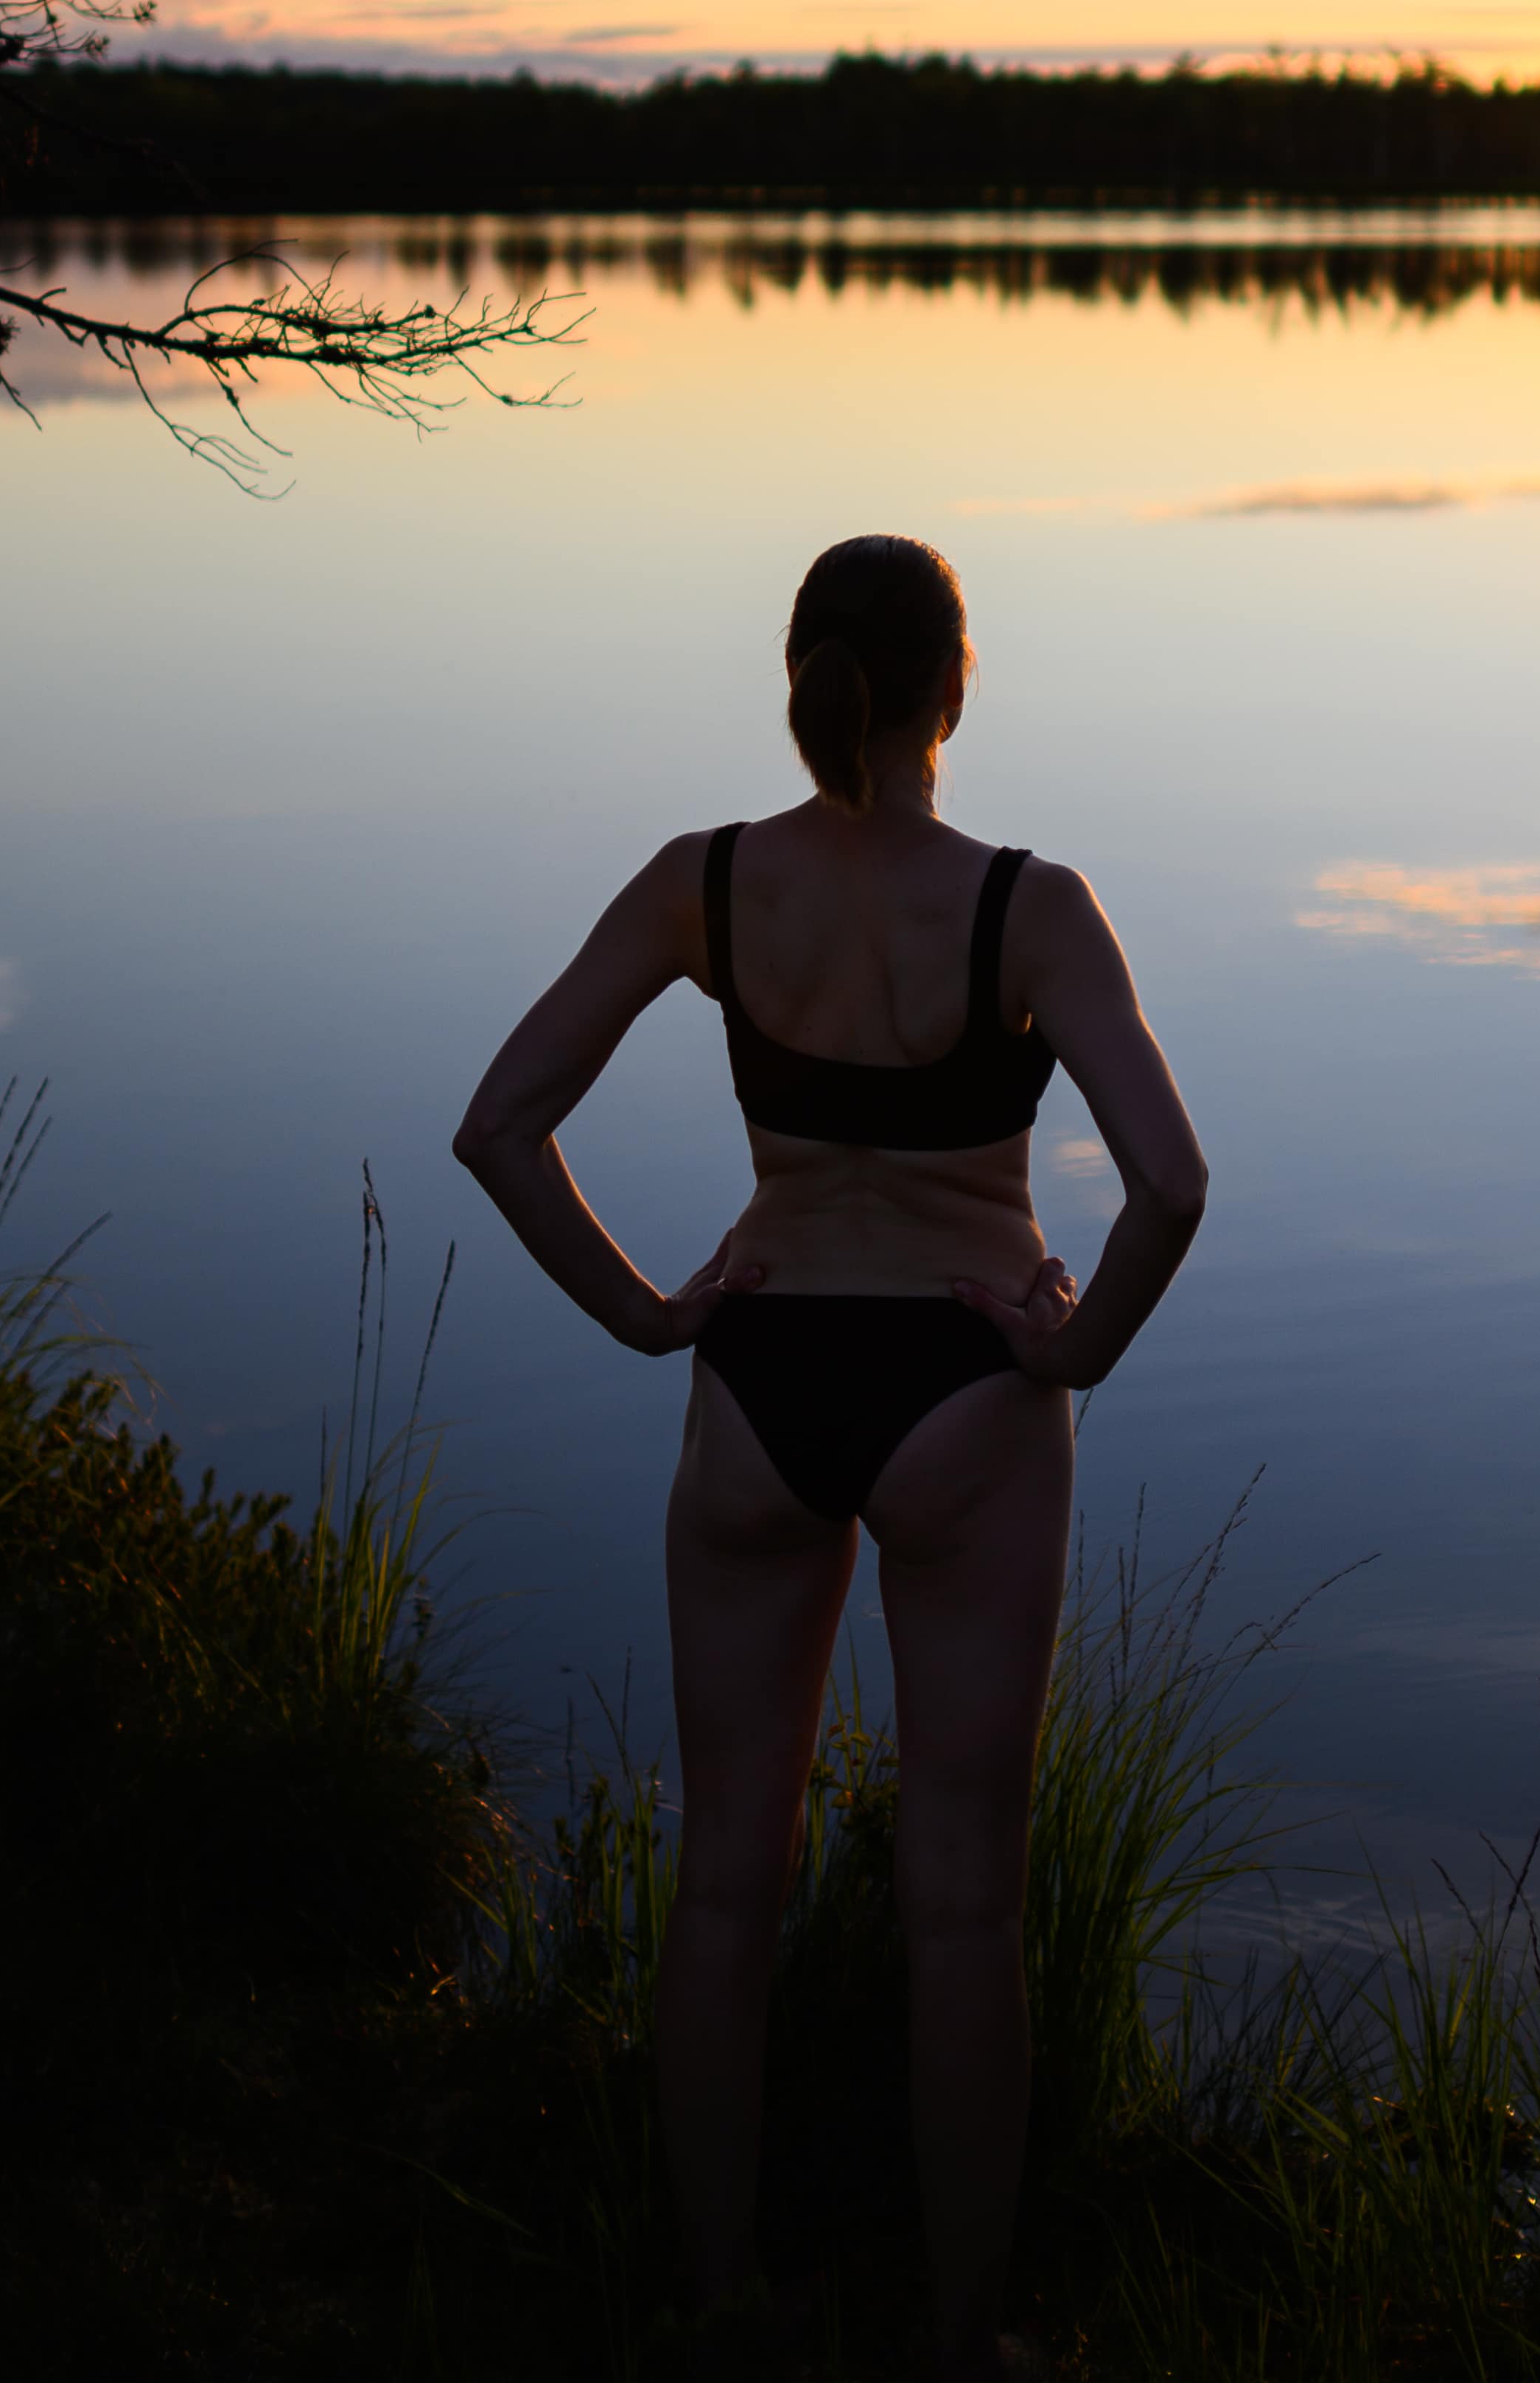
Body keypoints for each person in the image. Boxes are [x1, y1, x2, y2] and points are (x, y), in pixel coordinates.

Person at [456, 536, 1210, 2379]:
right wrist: (1069, 1352)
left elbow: (499, 1127)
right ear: (955, 686)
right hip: (966, 1391)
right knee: (963, 1908)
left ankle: (719, 2296)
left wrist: (651, 1317)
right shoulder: (1030, 908)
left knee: (725, 1882)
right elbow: (1171, 1186)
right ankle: (963, 2336)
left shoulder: (707, 884)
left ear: (805, 676)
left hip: (757, 1383)